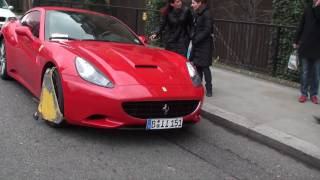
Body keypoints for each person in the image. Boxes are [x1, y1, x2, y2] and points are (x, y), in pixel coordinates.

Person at [294, 0, 320, 104]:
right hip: (305, 45)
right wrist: (296, 40)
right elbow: (301, 25)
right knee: (305, 72)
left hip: (318, 47)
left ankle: (313, 94)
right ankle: (303, 94)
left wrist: (318, 8)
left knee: (316, 73)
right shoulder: (308, 8)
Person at [189, 0, 213, 97]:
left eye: (194, 3)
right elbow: (194, 27)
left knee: (205, 67)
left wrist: (197, 39)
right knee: (197, 65)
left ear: (200, 3)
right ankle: (198, 87)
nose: (192, 5)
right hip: (197, 43)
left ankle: (209, 89)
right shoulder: (197, 13)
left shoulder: (207, 14)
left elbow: (208, 29)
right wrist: (192, 36)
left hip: (205, 44)